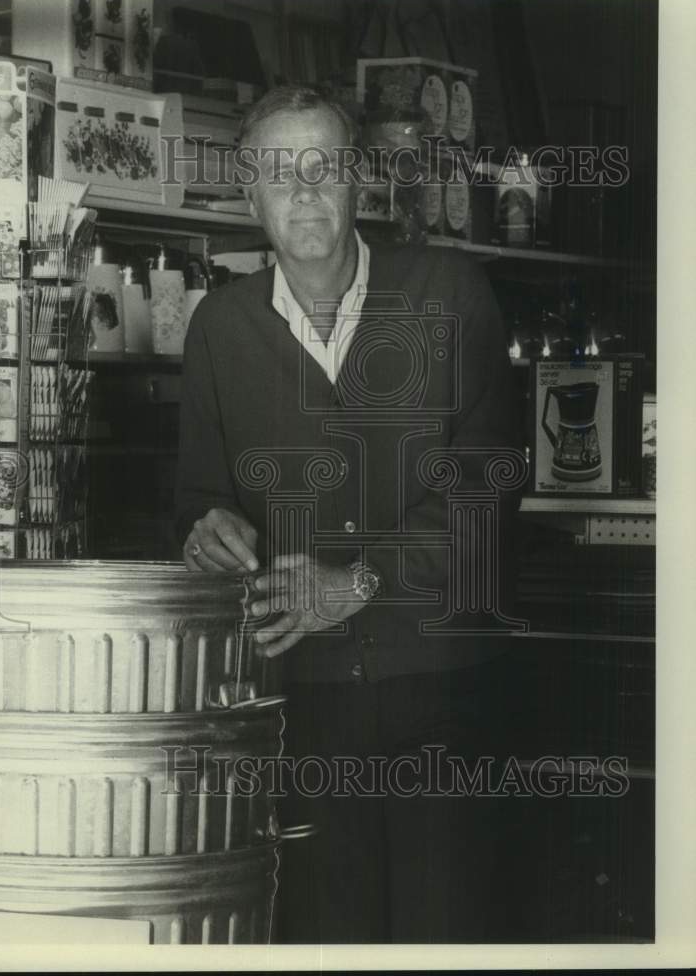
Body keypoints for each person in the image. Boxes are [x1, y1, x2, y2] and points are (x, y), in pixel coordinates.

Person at [174, 86, 525, 943]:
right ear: (248, 193)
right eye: (277, 172)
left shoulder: (450, 292)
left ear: (359, 181)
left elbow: (490, 485)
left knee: (446, 937)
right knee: (321, 941)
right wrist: (206, 532)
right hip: (298, 705)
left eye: (323, 167)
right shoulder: (220, 326)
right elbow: (197, 497)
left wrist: (360, 580)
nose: (303, 191)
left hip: (440, 692)